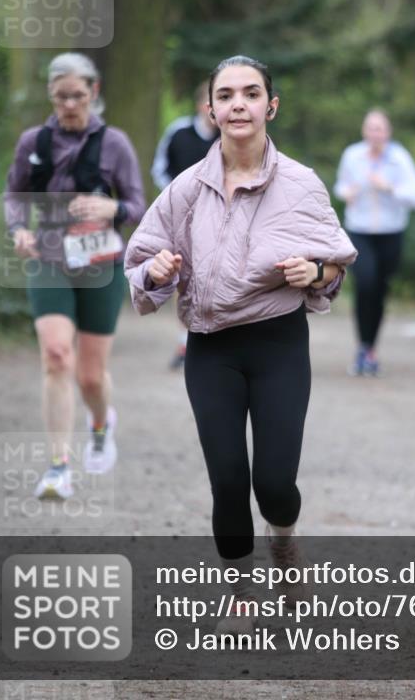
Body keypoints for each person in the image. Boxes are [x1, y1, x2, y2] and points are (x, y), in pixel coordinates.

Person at [125, 55, 356, 634]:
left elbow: (335, 264)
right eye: (225, 95)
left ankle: (283, 545)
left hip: (278, 344)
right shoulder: (184, 190)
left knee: (273, 482)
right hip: (211, 348)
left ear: (270, 107)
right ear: (210, 111)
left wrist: (318, 273)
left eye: (251, 94)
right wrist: (155, 271)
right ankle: (238, 585)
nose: (238, 104)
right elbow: (141, 263)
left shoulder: (301, 183)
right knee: (228, 476)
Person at [5, 53, 145, 500]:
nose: (69, 104)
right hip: (48, 259)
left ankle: (101, 422)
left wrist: (112, 209)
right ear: (51, 94)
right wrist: (19, 228)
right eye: (61, 96)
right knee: (57, 356)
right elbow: (13, 196)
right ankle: (58, 466)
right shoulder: (33, 141)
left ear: (94, 92)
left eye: (78, 96)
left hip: (100, 265)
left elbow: (140, 205)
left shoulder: (115, 144)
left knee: (89, 376)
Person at [334, 109, 415, 376]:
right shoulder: (352, 155)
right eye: (371, 128)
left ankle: (370, 348)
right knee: (365, 283)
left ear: (388, 132)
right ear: (364, 131)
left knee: (379, 290)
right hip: (359, 229)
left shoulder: (399, 159)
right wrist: (346, 192)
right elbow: (341, 185)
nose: (375, 134)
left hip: (390, 232)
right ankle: (362, 347)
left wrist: (389, 187)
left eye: (380, 129)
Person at [151, 82, 219, 369]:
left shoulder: (230, 136)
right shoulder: (178, 133)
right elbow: (159, 168)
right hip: (182, 219)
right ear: (199, 104)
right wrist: (176, 198)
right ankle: (185, 339)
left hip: (219, 219)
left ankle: (212, 335)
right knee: (184, 277)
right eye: (208, 100)